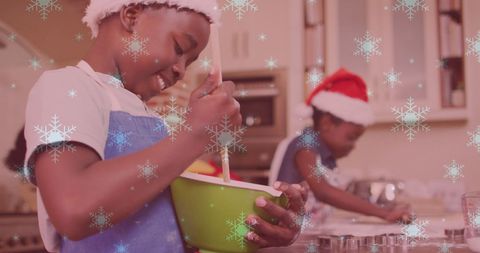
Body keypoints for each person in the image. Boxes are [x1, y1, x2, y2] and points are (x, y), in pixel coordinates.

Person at [23, 0, 307, 252]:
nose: (182, 70)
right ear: (131, 16)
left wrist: (264, 225)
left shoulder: (151, 119)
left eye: (190, 61)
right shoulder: (65, 86)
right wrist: (194, 134)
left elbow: (167, 230)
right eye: (180, 48)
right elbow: (75, 208)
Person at [276, 68, 411, 223]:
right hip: (288, 234)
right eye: (351, 137)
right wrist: (383, 213)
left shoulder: (324, 156)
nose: (353, 146)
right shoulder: (305, 145)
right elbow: (324, 192)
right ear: (327, 123)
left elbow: (339, 194)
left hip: (307, 232)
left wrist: (388, 207)